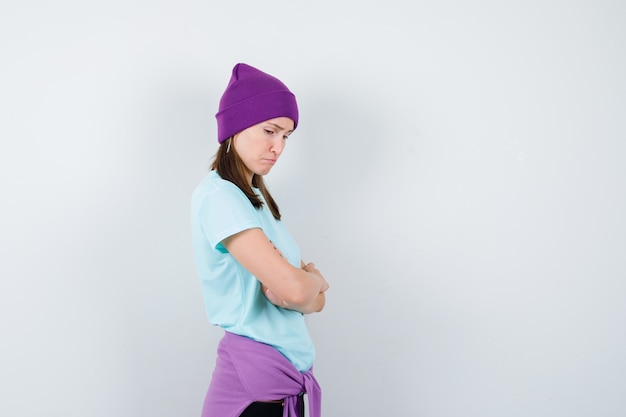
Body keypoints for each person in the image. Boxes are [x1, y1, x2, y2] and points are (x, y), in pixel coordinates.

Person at [190, 63, 329, 417]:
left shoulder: (257, 200)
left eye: (286, 136)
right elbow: (300, 293)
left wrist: (304, 290)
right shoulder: (220, 198)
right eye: (270, 131)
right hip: (252, 398)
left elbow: (312, 302)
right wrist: (313, 281)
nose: (278, 146)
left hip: (280, 391)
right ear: (236, 125)